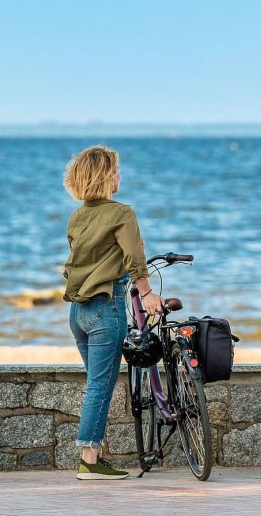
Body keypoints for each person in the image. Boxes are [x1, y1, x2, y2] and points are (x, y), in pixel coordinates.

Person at [61, 145, 162, 481]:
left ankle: (96, 456)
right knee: (99, 386)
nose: (120, 176)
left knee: (96, 383)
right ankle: (89, 459)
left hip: (78, 312)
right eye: (116, 171)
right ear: (106, 177)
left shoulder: (77, 216)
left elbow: (90, 257)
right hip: (106, 307)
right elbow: (135, 261)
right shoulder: (122, 213)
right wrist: (147, 294)